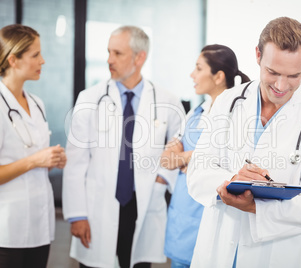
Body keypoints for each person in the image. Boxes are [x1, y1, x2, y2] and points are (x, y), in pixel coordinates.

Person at [186, 17, 301, 267]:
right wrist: (231, 183)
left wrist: (256, 206)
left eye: (293, 75)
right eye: (273, 72)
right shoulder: (228, 101)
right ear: (258, 55)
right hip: (218, 250)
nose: (281, 85)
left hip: (275, 255)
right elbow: (197, 172)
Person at [62, 26, 184, 268]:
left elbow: (179, 146)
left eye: (117, 53)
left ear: (140, 58)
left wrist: (162, 179)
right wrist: (77, 215)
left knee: (138, 263)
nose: (109, 60)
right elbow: (76, 160)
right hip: (98, 205)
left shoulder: (167, 101)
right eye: (108, 52)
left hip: (145, 202)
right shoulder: (89, 98)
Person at [161, 44, 250, 268]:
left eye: (199, 68)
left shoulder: (238, 115)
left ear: (218, 76)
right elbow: (167, 158)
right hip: (184, 217)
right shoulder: (196, 112)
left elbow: (234, 166)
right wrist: (196, 158)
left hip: (214, 215)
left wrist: (189, 156)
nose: (192, 74)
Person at [0, 24, 67, 268]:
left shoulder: (37, 103)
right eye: (36, 55)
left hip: (40, 223)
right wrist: (35, 161)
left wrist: (51, 161)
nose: (43, 61)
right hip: (6, 230)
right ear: (13, 60)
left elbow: (34, 159)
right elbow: (30, 160)